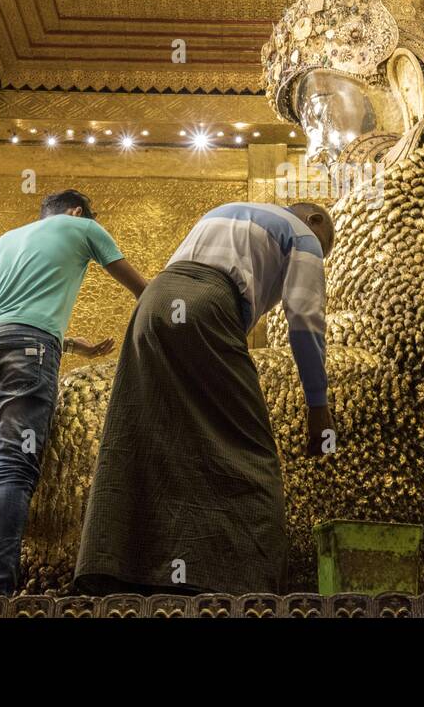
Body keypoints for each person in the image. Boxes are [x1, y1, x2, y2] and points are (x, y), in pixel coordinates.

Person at [74, 201, 336, 596]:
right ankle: (251, 587)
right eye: (324, 247)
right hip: (205, 306)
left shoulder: (228, 211)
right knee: (250, 453)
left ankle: (127, 574)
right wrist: (318, 406)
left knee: (153, 435)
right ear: (315, 222)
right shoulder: (302, 234)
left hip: (153, 305)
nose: (319, 255)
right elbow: (305, 318)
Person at [0, 189, 147, 597]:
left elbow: (5, 320)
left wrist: (68, 343)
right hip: (30, 349)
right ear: (78, 210)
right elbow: (140, 288)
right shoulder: (84, 227)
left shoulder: (1, 243)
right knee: (13, 466)